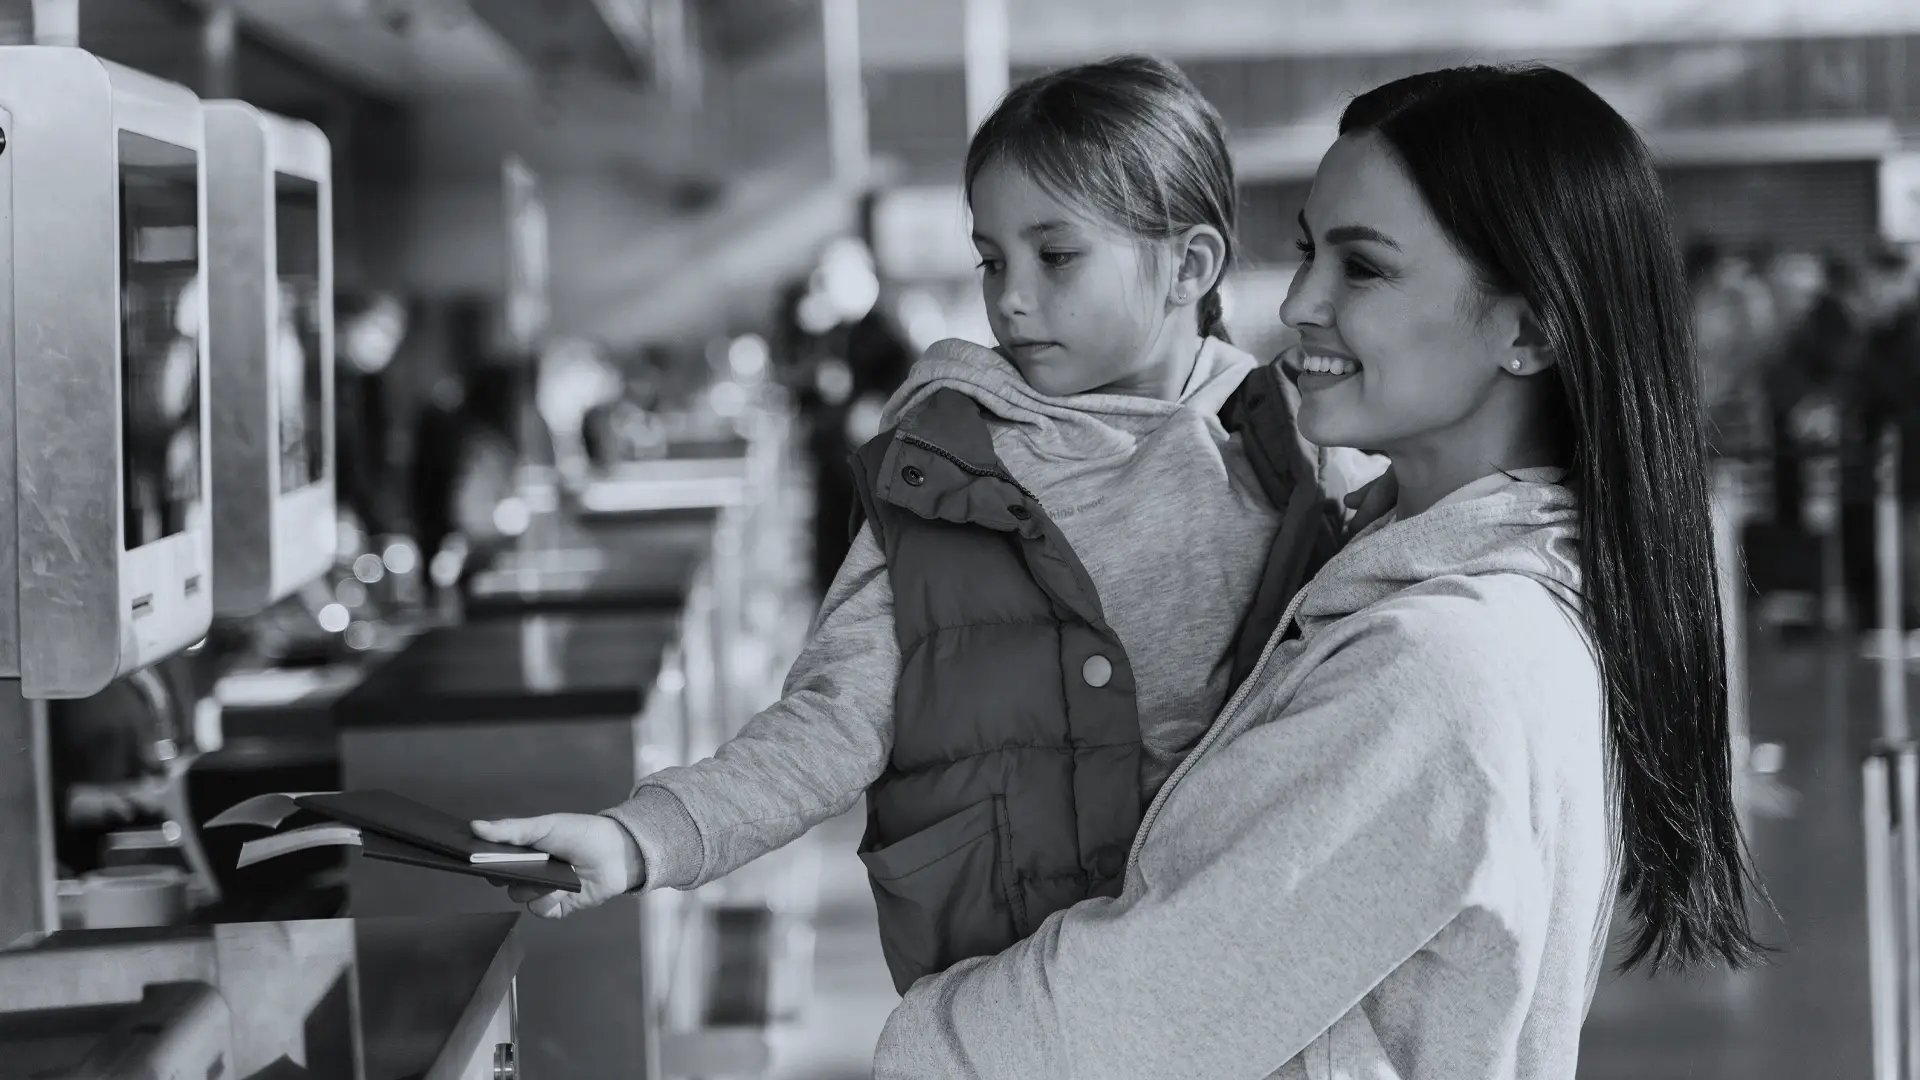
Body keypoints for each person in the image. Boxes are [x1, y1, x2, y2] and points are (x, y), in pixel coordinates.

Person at [865, 63, 1769, 1077]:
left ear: (1527, 329)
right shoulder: (1383, 572)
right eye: (1306, 253)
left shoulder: (1441, 663)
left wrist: (922, 1040)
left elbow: (1113, 1031)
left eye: (1364, 268)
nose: (1299, 301)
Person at [471, 55, 1349, 994]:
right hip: (1015, 999)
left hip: (1233, 988)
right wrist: (639, 837)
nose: (1010, 297)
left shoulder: (1304, 457)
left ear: (1191, 265)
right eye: (992, 258)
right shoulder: (941, 471)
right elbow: (830, 719)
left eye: (1056, 256)